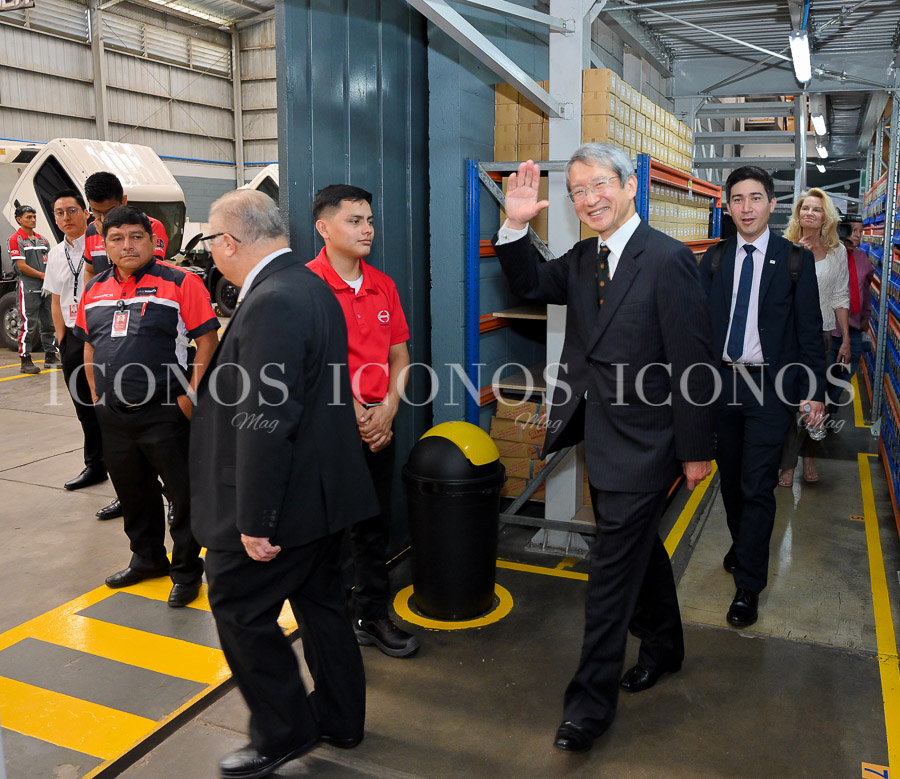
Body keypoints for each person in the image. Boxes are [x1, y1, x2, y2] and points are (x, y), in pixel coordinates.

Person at [494, 145, 716, 753]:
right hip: (601, 432)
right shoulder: (585, 257)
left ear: (628, 187)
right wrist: (515, 226)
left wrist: (696, 452)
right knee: (638, 550)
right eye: (576, 191)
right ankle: (665, 645)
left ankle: (587, 708)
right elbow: (531, 283)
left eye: (598, 185)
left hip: (650, 442)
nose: (588, 199)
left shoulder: (667, 259)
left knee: (609, 572)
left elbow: (693, 364)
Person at [191, 190, 378, 779]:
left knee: (240, 610)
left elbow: (265, 421)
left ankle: (282, 730)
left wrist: (255, 518)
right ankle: (341, 719)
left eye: (212, 244)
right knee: (322, 606)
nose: (213, 256)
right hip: (323, 495)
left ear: (229, 243)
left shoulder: (272, 299)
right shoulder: (310, 283)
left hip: (285, 502)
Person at [699, 166, 824, 629]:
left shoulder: (794, 260)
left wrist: (813, 392)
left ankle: (749, 584)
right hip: (723, 385)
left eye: (755, 198)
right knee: (730, 481)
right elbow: (696, 327)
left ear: (773, 205)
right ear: (727, 206)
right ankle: (743, 543)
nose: (746, 207)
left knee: (757, 485)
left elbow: (810, 330)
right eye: (737, 199)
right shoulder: (713, 260)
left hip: (772, 387)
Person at [74, 206, 216, 608]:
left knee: (183, 496)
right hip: (114, 415)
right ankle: (147, 558)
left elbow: (207, 341)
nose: (126, 245)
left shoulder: (180, 282)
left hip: (166, 412)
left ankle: (186, 570)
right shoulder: (95, 287)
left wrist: (189, 396)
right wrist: (97, 395)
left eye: (136, 237)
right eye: (116, 239)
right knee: (133, 493)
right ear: (105, 246)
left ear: (153, 241)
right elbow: (88, 344)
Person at [307, 184, 418, 659]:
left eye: (370, 220)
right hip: (328, 431)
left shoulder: (383, 285)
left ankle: (371, 613)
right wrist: (356, 414)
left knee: (373, 526)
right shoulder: (306, 285)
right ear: (324, 228)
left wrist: (389, 408)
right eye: (354, 220)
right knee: (327, 533)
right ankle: (328, 625)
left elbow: (400, 356)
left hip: (379, 427)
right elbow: (310, 363)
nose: (367, 229)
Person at [41, 190, 121, 520]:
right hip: (73, 337)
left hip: (102, 335)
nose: (65, 217)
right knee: (84, 409)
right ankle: (95, 467)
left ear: (85, 213)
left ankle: (125, 483)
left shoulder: (102, 244)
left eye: (71, 210)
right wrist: (62, 339)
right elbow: (55, 299)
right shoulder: (56, 254)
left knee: (111, 410)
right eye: (59, 213)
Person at [778, 188, 849, 486]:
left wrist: (845, 337)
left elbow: (840, 295)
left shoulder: (837, 251)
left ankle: (809, 457)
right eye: (805, 208)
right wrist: (800, 256)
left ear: (825, 217)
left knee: (817, 401)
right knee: (788, 400)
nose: (809, 213)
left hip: (821, 335)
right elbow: (776, 295)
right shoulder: (784, 248)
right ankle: (787, 464)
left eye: (816, 210)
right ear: (798, 214)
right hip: (790, 335)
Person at [83, 171, 168, 280]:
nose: (104, 218)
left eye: (110, 211)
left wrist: (107, 235)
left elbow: (152, 270)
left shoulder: (150, 227)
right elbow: (90, 271)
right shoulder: (91, 230)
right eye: (97, 212)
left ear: (123, 201)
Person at [826, 219, 873, 406]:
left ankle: (829, 407)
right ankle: (818, 412)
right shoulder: (827, 254)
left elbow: (866, 290)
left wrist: (866, 316)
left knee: (846, 372)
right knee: (823, 372)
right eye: (853, 230)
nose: (858, 234)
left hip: (853, 328)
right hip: (829, 328)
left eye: (860, 231)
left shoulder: (863, 259)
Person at [9, 204, 56, 374]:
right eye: (29, 217)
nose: (33, 220)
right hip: (28, 286)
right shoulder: (16, 239)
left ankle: (51, 356)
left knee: (49, 322)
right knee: (28, 323)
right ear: (19, 220)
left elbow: (50, 262)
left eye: (34, 217)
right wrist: (43, 276)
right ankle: (25, 359)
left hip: (45, 286)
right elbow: (21, 266)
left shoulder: (43, 240)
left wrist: (50, 279)